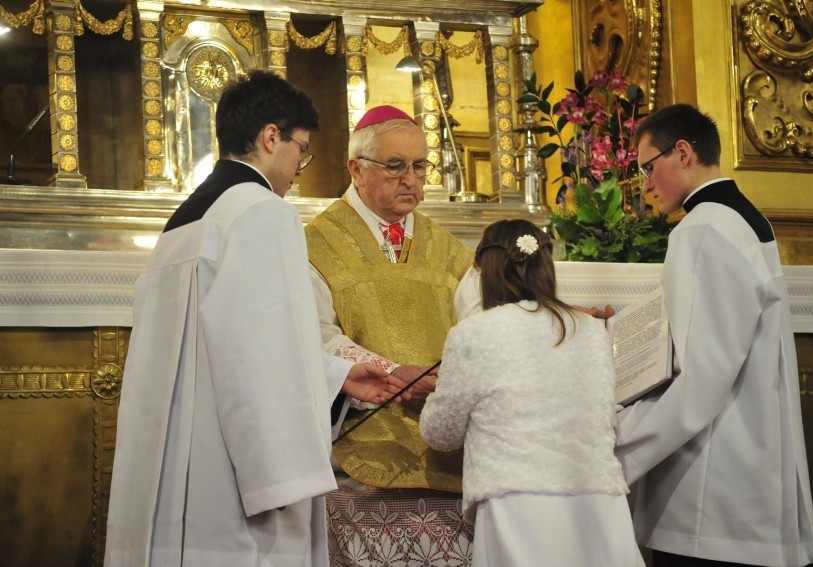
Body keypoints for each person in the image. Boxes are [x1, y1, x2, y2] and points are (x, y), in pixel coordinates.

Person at [104, 70, 404, 567]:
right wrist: (283, 480)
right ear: (271, 136)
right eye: (300, 150)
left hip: (173, 471)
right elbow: (261, 359)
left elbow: (217, 347)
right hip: (232, 486)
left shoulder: (183, 222)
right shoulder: (264, 213)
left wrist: (339, 375)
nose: (299, 167)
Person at [615, 103, 813, 567]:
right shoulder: (745, 218)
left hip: (711, 490)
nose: (646, 185)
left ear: (683, 152)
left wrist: (619, 449)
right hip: (749, 465)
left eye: (648, 167)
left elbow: (702, 376)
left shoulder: (703, 228)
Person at [305, 105, 476, 565]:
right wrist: (390, 372)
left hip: (444, 442)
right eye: (395, 166)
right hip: (361, 441)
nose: (411, 179)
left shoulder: (447, 248)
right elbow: (313, 333)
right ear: (356, 169)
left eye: (420, 166)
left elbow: (484, 325)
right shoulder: (316, 243)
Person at [419, 219, 645, 567]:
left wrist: (434, 398)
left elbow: (441, 432)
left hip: (518, 503)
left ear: (488, 272)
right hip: (597, 499)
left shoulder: (474, 333)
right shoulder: (589, 329)